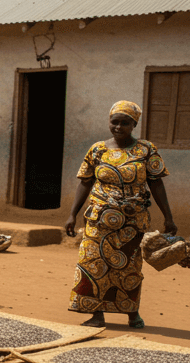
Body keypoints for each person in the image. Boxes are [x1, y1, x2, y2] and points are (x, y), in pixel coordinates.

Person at [65, 100, 177, 328]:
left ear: (134, 124)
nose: (118, 127)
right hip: (98, 220)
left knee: (130, 267)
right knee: (92, 264)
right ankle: (95, 314)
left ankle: (132, 313)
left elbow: (156, 184)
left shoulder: (146, 150)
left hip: (133, 222)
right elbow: (85, 183)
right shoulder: (97, 149)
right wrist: (72, 214)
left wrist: (168, 216)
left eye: (124, 123)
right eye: (114, 122)